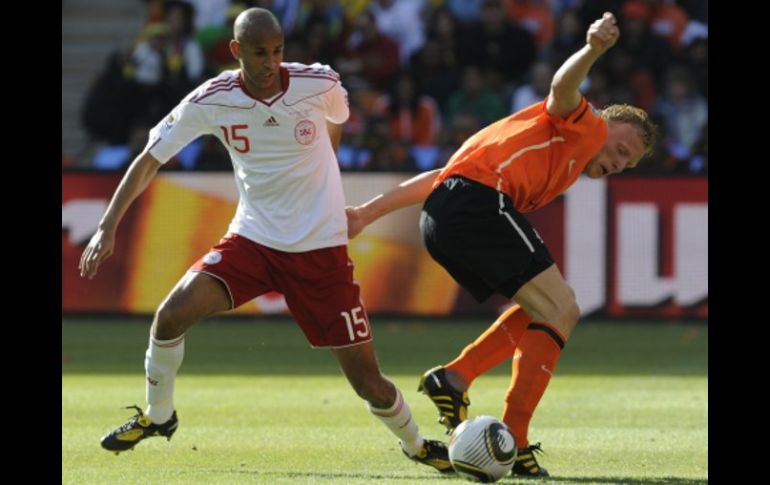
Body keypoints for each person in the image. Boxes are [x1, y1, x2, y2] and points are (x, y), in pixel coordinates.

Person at [79, 8, 451, 474]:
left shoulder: (319, 83)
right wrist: (107, 225)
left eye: (277, 51)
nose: (271, 61)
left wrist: (325, 166)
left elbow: (336, 117)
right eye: (259, 53)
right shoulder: (212, 98)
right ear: (236, 51)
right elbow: (150, 159)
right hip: (252, 241)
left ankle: (417, 446)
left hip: (321, 251)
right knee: (170, 316)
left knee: (369, 384)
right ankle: (159, 416)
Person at [345, 12, 657, 477]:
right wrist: (593, 49)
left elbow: (441, 178)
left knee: (545, 308)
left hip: (446, 216)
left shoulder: (549, 154)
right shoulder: (585, 125)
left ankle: (453, 378)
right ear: (606, 128)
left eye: (627, 165)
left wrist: (369, 211)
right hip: (477, 204)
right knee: (563, 307)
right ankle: (515, 432)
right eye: (621, 151)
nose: (618, 164)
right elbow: (562, 88)